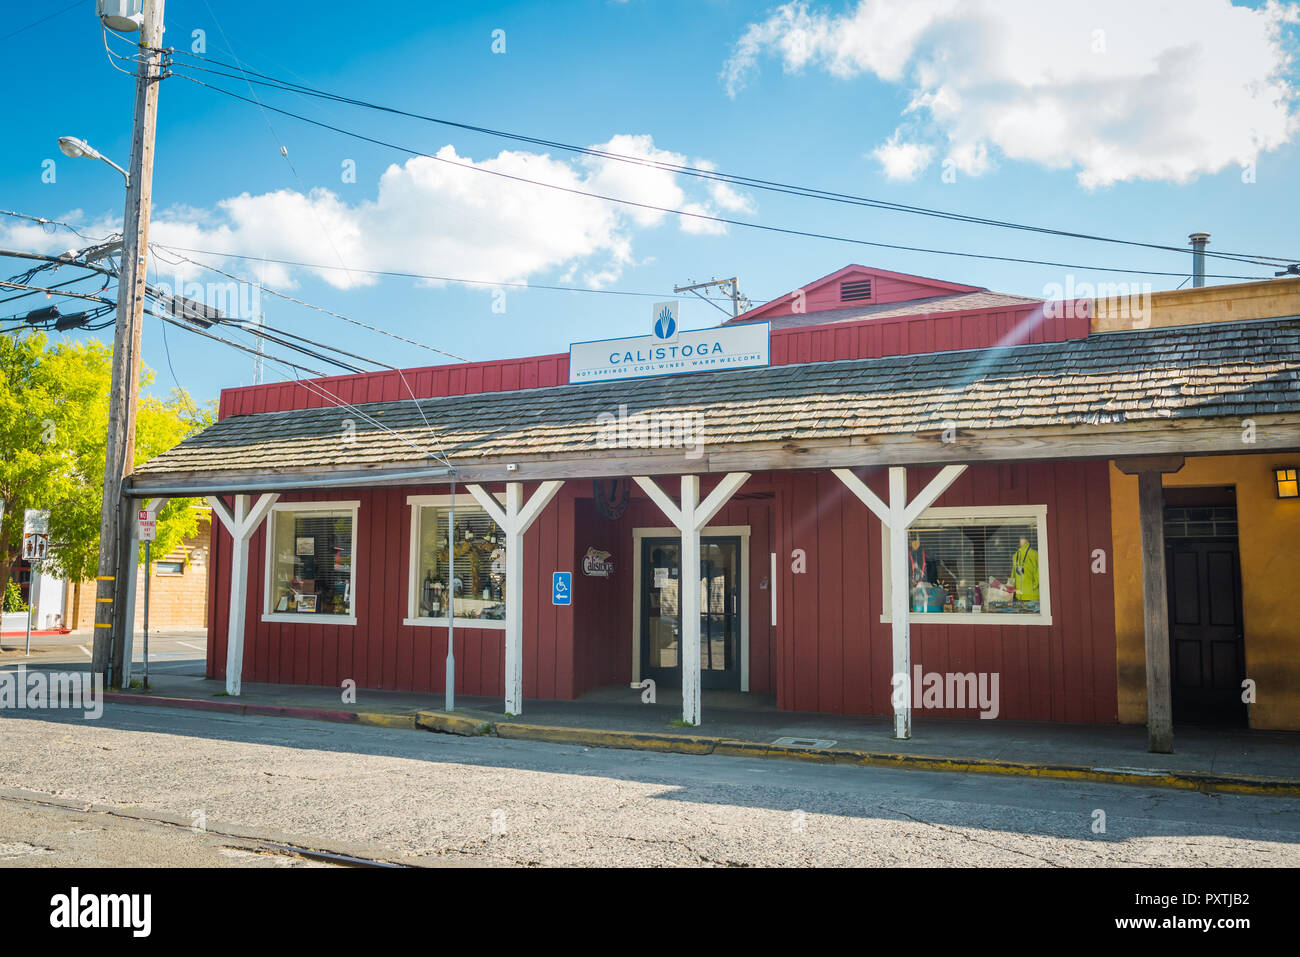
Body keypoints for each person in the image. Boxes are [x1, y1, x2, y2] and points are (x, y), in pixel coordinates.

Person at [1009, 536, 1040, 601]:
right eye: (1020, 538)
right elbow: (1013, 573)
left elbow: (1039, 571)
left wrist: (1034, 586)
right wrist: (1011, 587)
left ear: (1027, 540)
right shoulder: (1015, 555)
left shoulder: (1034, 554)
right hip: (1019, 595)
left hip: (1032, 595)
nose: (1021, 540)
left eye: (1023, 538)